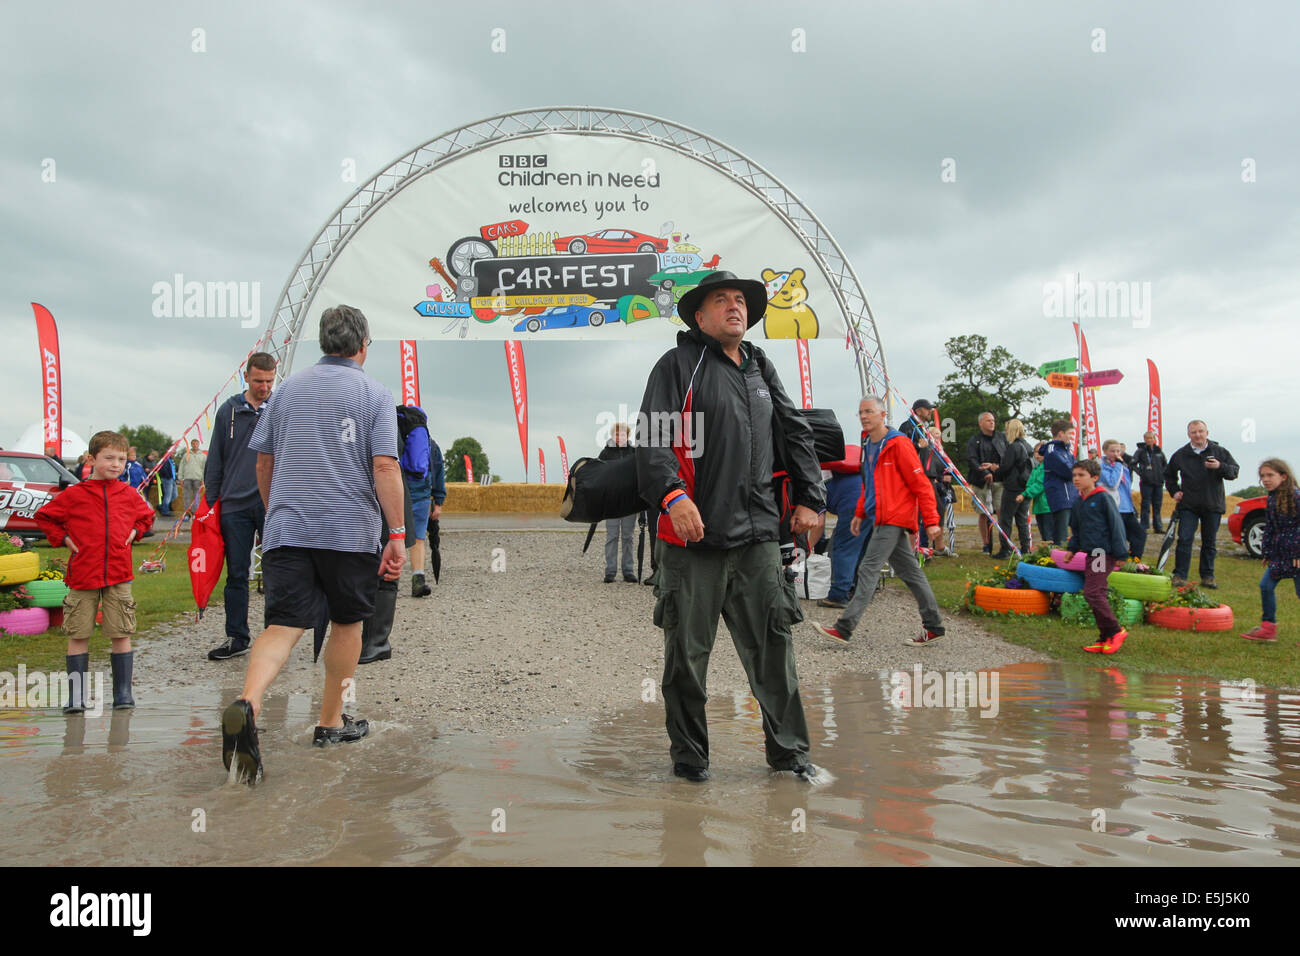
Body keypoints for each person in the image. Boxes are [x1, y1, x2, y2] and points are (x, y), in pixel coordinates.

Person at [636, 270, 825, 784]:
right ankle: (690, 761)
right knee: (686, 662)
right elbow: (652, 441)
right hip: (692, 540)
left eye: (740, 301)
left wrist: (811, 497)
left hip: (760, 538)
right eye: (721, 301)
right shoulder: (678, 366)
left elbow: (795, 432)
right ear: (700, 316)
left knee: (774, 653)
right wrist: (674, 496)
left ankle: (790, 757)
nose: (734, 307)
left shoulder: (761, 368)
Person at [220, 305, 406, 785]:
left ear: (323, 343)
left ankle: (249, 703)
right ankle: (330, 722)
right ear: (363, 345)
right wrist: (399, 534)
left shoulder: (284, 393)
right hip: (347, 533)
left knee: (283, 624)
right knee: (348, 623)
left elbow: (265, 461)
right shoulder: (375, 394)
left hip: (289, 529)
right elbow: (385, 466)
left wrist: (276, 512)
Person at [34, 431, 155, 713]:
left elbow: (146, 517)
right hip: (83, 575)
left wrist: (136, 531)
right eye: (109, 458)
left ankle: (123, 694)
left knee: (121, 632)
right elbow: (45, 517)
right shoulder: (74, 495)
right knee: (78, 633)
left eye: (122, 459)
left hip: (119, 574)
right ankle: (76, 696)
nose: (116, 464)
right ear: (91, 459)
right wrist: (63, 539)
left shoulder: (128, 494)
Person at [813, 395, 944, 647]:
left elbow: (921, 484)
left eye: (869, 412)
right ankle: (934, 625)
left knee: (868, 569)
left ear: (883, 415)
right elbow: (869, 483)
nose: (864, 416)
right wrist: (860, 513)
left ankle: (844, 628)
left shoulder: (899, 444)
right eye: (861, 412)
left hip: (893, 518)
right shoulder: (869, 443)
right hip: (878, 517)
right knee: (911, 573)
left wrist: (931, 520)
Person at [204, 352, 277, 661]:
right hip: (234, 504)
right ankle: (237, 636)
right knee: (236, 573)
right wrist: (211, 503)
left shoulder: (281, 408)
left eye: (270, 381)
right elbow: (215, 458)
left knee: (277, 571)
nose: (264, 387)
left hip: (272, 503)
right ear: (246, 376)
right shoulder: (228, 411)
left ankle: (276, 635)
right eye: (259, 380)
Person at [1063, 458, 1130, 654]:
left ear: (1094, 477)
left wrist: (1121, 553)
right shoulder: (1078, 502)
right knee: (1096, 593)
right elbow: (1076, 529)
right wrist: (1071, 549)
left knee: (1093, 592)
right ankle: (1104, 638)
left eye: (1081, 475)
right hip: (1090, 553)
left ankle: (1116, 632)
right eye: (1074, 475)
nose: (1076, 479)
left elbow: (1116, 526)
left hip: (1102, 553)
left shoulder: (1103, 498)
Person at [1164, 420, 1240, 589]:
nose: (1197, 435)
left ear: (1207, 432)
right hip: (1188, 504)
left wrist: (1220, 466)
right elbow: (1168, 475)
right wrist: (1175, 491)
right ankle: (1180, 575)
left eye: (1200, 431)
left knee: (1209, 542)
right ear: (1188, 434)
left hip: (1212, 504)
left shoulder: (1219, 451)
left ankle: (1207, 576)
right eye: (1193, 432)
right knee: (1184, 539)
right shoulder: (1181, 454)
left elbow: (1234, 471)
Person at [1242, 459, 1300, 642]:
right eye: (1262, 476)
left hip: (1296, 555)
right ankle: (1268, 629)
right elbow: (1271, 528)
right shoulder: (1272, 498)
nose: (1265, 479)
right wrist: (1266, 551)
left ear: (1283, 476)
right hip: (1279, 554)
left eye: (1270, 475)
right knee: (1265, 586)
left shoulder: (1296, 496)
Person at [820, 441, 870, 609]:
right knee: (861, 549)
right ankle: (856, 591)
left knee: (843, 548)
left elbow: (818, 522)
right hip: (872, 498)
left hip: (854, 504)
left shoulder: (814, 474)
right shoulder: (830, 466)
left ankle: (839, 594)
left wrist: (809, 549)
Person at [398, 404, 436, 597]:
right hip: (421, 492)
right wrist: (438, 498)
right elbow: (436, 470)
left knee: (391, 536)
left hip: (399, 488)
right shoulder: (429, 440)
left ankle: (387, 582)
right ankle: (418, 580)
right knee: (418, 539)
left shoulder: (393, 430)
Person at [599, 422, 638, 583]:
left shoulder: (634, 453)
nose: (619, 437)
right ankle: (610, 571)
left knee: (628, 537)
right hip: (612, 502)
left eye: (622, 434)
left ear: (627, 436)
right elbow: (599, 475)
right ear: (612, 436)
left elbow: (639, 475)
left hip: (629, 502)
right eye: (616, 434)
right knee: (612, 536)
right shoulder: (605, 453)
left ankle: (628, 571)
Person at [965, 412, 1006, 554]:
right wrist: (984, 473)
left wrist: (996, 469)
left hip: (999, 481)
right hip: (980, 481)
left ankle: (1004, 543)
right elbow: (971, 459)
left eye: (993, 420)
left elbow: (1007, 458)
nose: (992, 423)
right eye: (988, 420)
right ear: (980, 423)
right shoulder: (974, 440)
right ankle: (986, 544)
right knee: (984, 513)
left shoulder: (1002, 438)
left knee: (1001, 511)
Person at [993, 419, 1034, 557]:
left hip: (1012, 487)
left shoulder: (1014, 447)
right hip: (1025, 486)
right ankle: (1026, 548)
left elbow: (1006, 467)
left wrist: (995, 471)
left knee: (1006, 519)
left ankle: (1005, 549)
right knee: (1022, 519)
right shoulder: (1028, 446)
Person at [1099, 439, 1145, 558]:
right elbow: (1112, 483)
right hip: (1114, 508)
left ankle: (1134, 560)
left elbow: (1127, 487)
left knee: (1140, 534)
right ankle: (1116, 561)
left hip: (1127, 508)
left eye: (1118, 451)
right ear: (1105, 451)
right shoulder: (1101, 467)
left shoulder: (1123, 466)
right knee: (1118, 538)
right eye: (1112, 451)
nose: (1116, 454)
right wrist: (1118, 465)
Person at [1041, 420, 1079, 543]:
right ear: (1061, 433)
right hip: (1061, 497)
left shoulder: (1066, 451)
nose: (1071, 437)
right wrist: (1077, 472)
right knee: (1061, 535)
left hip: (1071, 496)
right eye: (1070, 433)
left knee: (1079, 530)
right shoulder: (1052, 451)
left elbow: (1075, 469)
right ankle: (1059, 558)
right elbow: (1069, 471)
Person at [1132, 432, 1167, 534]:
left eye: (1151, 438)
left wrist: (1162, 474)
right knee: (1145, 505)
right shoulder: (1140, 451)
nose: (1149, 440)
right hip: (1146, 482)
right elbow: (1133, 464)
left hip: (1158, 482)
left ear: (1154, 439)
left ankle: (1158, 527)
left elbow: (1165, 464)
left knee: (1157, 505)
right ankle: (1144, 526)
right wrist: (1141, 473)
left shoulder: (1159, 451)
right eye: (1147, 438)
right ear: (1144, 439)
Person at [1018, 442, 1053, 546]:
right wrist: (1028, 490)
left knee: (1049, 535)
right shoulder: (1037, 468)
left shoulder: (1047, 468)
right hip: (1039, 507)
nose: (1037, 455)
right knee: (1043, 533)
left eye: (1040, 452)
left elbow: (1039, 484)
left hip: (1047, 507)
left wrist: (1025, 494)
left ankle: (1053, 556)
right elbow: (1030, 483)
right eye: (1035, 452)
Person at [178, 439, 207, 513]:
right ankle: (187, 513)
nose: (195, 445)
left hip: (198, 479)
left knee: (196, 497)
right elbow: (181, 466)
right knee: (186, 496)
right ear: (191, 445)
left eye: (196, 444)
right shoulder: (186, 455)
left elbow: (204, 468)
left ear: (198, 444)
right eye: (193, 444)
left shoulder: (203, 456)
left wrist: (203, 480)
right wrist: (180, 478)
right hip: (187, 478)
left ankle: (195, 512)